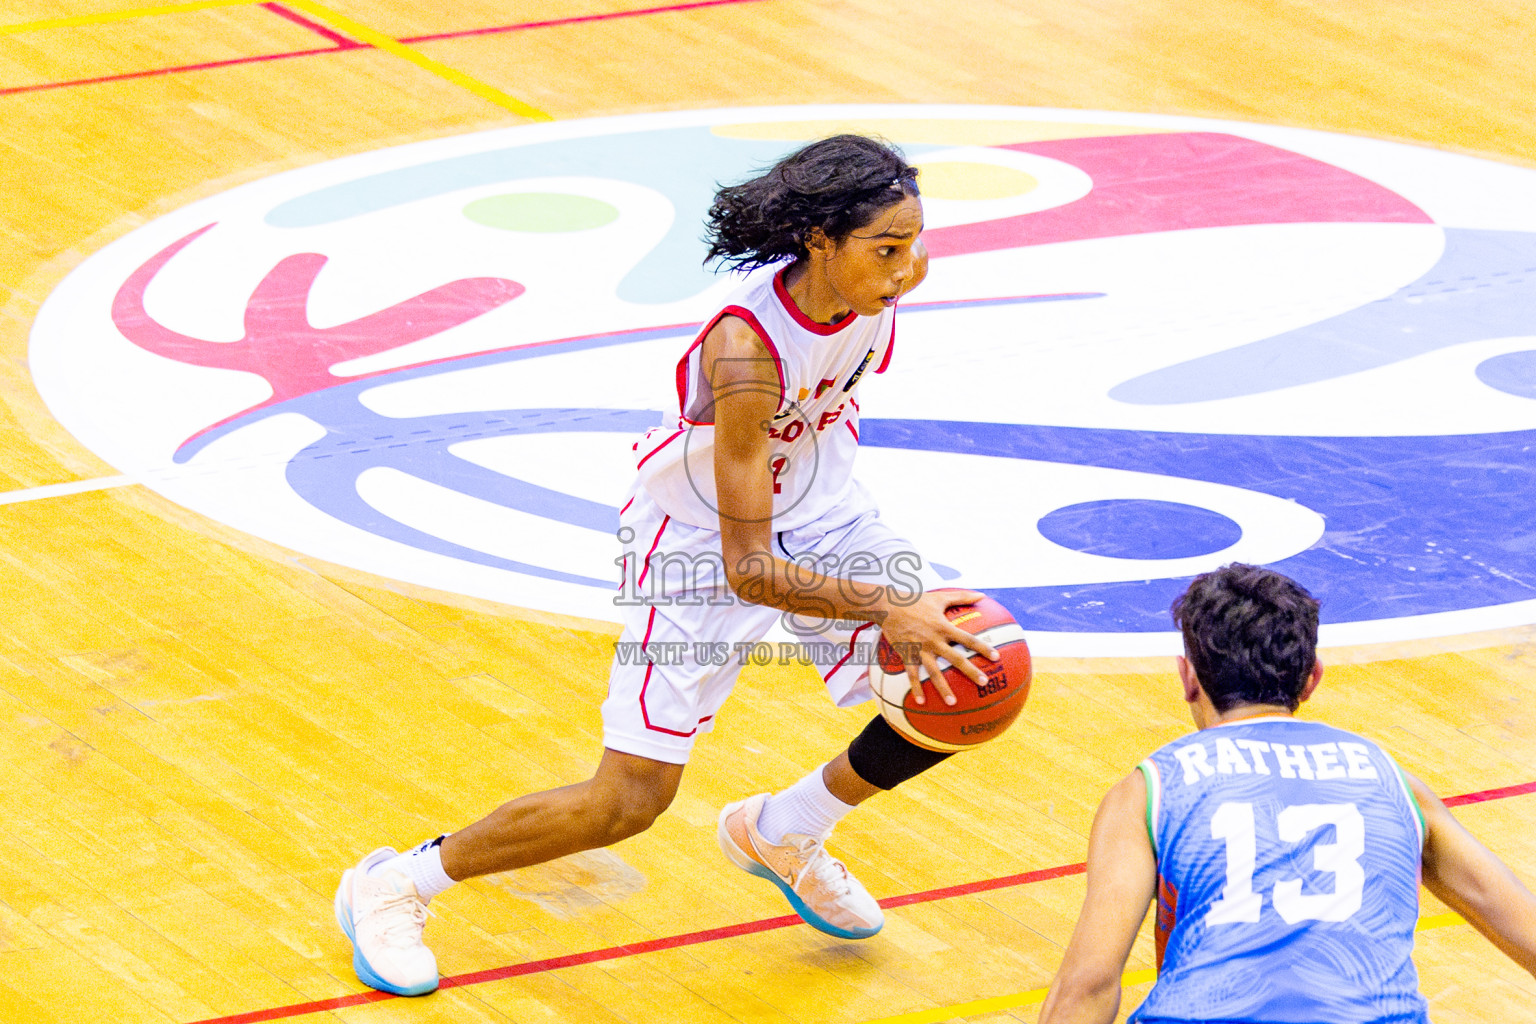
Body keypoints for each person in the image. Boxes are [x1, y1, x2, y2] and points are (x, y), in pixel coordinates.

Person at [334, 134, 1003, 996]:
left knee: (960, 672)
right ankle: (398, 883)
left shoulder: (872, 287)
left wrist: (897, 611)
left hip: (823, 510)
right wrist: (885, 606)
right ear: (818, 243)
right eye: (888, 248)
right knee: (629, 801)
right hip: (700, 545)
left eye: (916, 242)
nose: (909, 267)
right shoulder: (747, 354)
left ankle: (786, 829)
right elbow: (750, 569)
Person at [1038, 563, 1536, 1024]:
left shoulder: (1149, 789)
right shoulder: (1393, 780)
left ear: (1189, 677)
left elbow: (1088, 986)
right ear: (1311, 678)